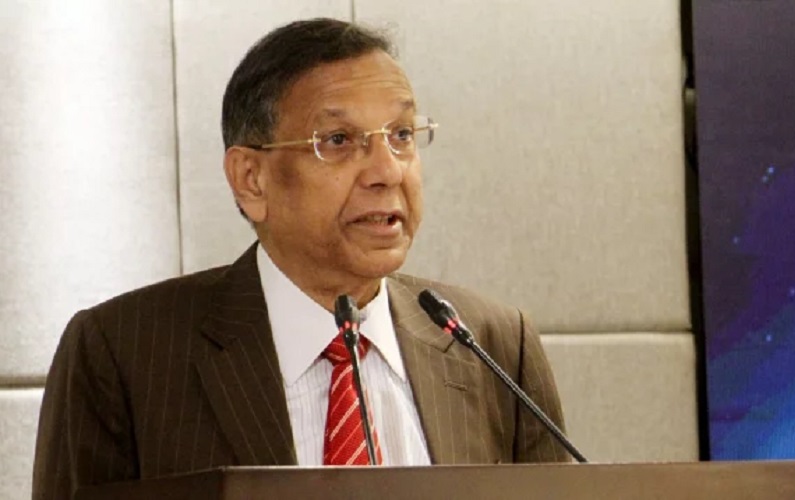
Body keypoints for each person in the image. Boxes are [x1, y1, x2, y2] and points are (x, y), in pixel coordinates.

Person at [32, 18, 568, 498]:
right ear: (251, 179)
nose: (387, 171)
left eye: (402, 135)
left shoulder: (493, 345)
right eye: (338, 140)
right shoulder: (124, 355)